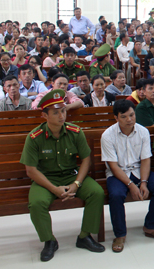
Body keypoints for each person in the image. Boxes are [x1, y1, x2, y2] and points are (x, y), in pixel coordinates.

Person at [20, 89, 105, 262]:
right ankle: (49, 241)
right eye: (56, 112)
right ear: (44, 115)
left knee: (96, 192)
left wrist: (76, 184)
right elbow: (31, 170)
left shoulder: (75, 132)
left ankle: (84, 236)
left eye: (63, 111)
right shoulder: (34, 137)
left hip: (70, 176)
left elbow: (86, 160)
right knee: (36, 203)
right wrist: (53, 189)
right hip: (46, 180)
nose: (61, 116)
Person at [102, 99, 154, 252]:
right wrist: (131, 185)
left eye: (132, 115)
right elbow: (113, 166)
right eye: (124, 117)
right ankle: (120, 234)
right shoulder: (108, 135)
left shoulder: (143, 131)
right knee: (116, 195)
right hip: (118, 174)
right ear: (116, 118)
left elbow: (146, 159)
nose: (129, 119)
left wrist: (144, 182)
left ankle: (151, 227)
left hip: (140, 171)